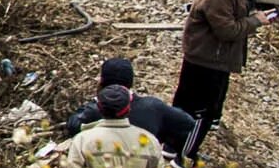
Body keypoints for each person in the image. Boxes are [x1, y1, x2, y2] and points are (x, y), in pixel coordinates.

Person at [171, 0, 276, 162]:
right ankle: (185, 154)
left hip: (205, 55)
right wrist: (255, 21)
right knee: (203, 112)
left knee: (185, 105)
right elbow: (227, 30)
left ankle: (173, 146)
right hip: (209, 59)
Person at [55, 56, 198, 158]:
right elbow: (187, 123)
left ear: (102, 82)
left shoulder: (94, 111)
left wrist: (96, 100)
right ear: (131, 82)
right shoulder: (153, 107)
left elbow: (73, 125)